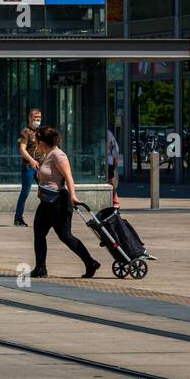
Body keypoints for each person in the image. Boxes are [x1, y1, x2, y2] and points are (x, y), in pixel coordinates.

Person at [30, 125, 100, 279]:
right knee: (39, 233)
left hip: (59, 201)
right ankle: (40, 268)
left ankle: (90, 262)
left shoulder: (58, 155)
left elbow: (68, 176)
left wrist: (73, 195)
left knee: (65, 235)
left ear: (42, 141)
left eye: (36, 140)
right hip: (46, 201)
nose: (35, 142)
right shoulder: (47, 155)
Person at [14, 108, 42, 227]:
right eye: (35, 118)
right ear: (30, 118)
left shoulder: (40, 132)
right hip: (29, 166)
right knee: (25, 192)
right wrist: (31, 160)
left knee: (46, 191)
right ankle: (18, 218)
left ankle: (49, 215)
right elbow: (22, 149)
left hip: (40, 167)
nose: (37, 120)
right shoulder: (26, 132)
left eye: (39, 118)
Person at [106, 128, 121, 208]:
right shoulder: (109, 133)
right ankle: (115, 200)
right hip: (109, 161)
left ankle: (115, 200)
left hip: (108, 161)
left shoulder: (108, 134)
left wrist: (115, 161)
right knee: (109, 181)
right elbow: (115, 149)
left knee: (109, 181)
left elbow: (115, 149)